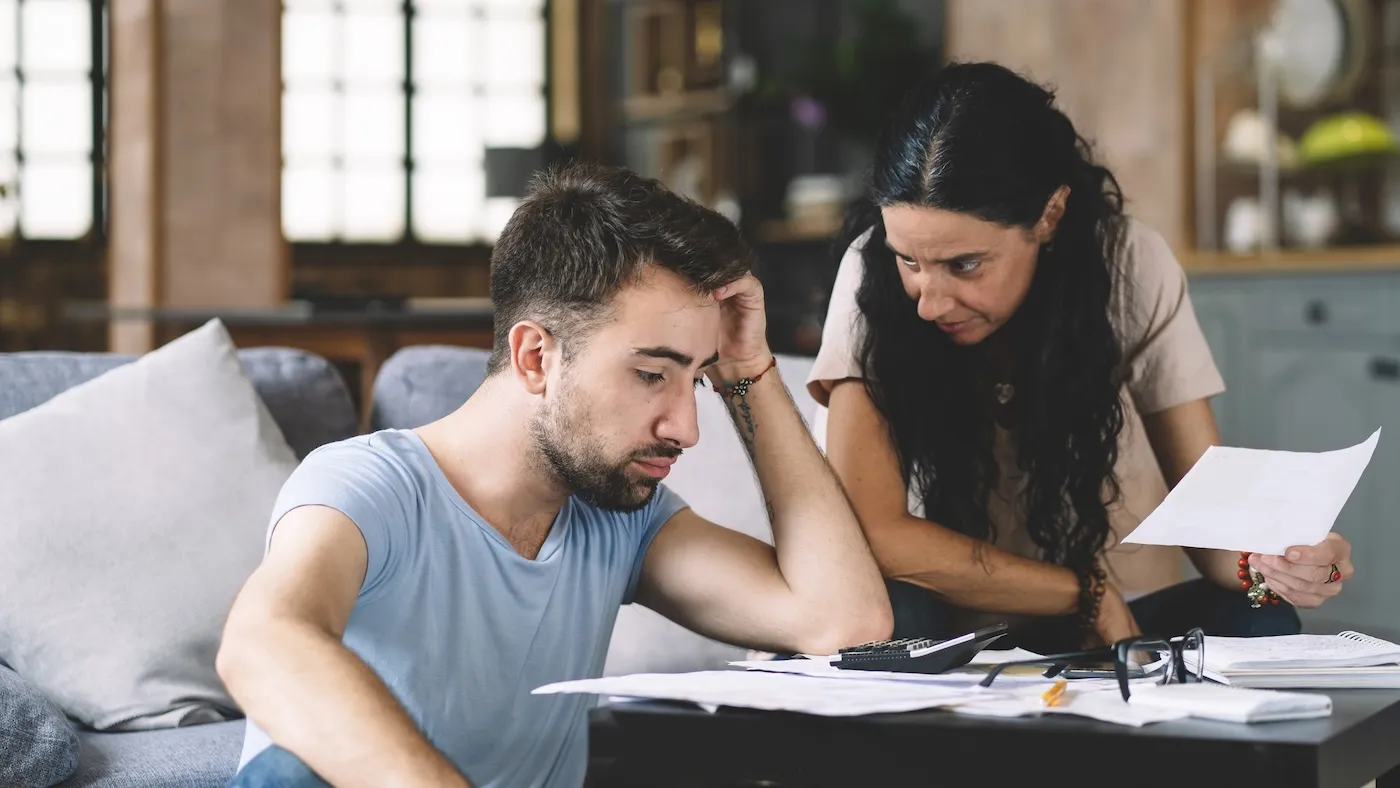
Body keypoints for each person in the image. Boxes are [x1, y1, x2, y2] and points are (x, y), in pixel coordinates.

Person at [217, 161, 892, 788]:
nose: (685, 427)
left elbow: (843, 621)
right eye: (651, 375)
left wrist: (748, 372)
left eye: (697, 378)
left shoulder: (618, 521)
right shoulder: (366, 487)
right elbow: (263, 643)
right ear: (536, 357)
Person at [808, 61, 1354, 655]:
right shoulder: (868, 275)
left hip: (1080, 625)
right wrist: (1082, 592)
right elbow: (878, 537)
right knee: (893, 616)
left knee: (1258, 619)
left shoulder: (1128, 267)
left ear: (1050, 216)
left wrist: (1278, 564)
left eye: (965, 264)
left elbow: (1211, 518)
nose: (929, 303)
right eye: (909, 261)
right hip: (944, 621)